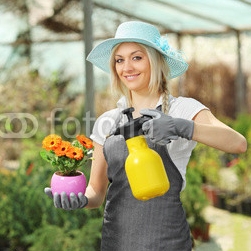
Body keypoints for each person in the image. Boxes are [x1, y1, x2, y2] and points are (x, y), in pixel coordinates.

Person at [45, 21, 247, 250]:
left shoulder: (182, 109)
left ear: (155, 60)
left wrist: (181, 127)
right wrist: (81, 200)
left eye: (136, 57)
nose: (127, 67)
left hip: (167, 241)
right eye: (119, 60)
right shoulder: (107, 121)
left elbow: (238, 143)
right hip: (116, 242)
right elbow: (96, 192)